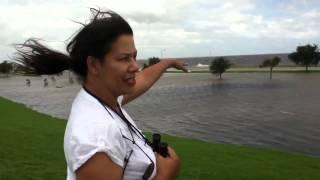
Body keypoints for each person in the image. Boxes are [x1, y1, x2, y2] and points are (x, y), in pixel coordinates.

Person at [15, 8, 187, 180]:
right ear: (94, 65)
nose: (135, 66)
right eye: (124, 58)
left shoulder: (105, 99)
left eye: (135, 56)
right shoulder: (95, 139)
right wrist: (165, 175)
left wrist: (167, 63)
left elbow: (142, 80)